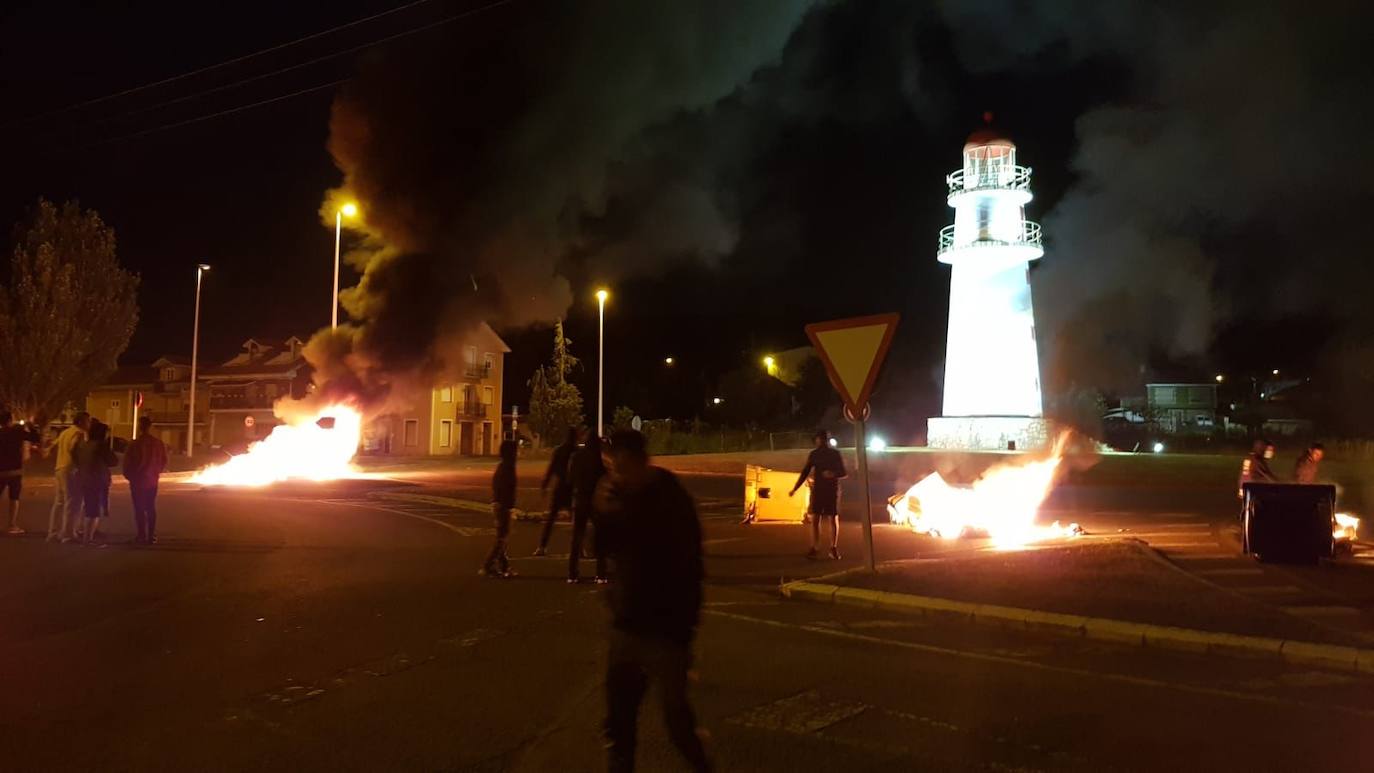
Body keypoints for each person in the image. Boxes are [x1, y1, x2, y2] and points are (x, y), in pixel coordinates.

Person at [595, 429, 710, 773]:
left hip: (666, 630)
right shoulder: (619, 496)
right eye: (611, 465)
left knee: (676, 719)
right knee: (620, 721)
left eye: (621, 464)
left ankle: (703, 766)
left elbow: (689, 563)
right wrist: (603, 512)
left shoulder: (668, 497)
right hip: (627, 625)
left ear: (640, 461)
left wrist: (685, 629)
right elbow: (601, 549)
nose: (616, 472)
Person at [789, 429, 848, 559]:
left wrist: (832, 474)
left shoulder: (835, 454)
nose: (820, 442)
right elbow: (805, 472)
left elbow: (844, 472)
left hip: (832, 490)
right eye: (819, 439)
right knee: (816, 518)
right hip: (818, 490)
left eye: (822, 439)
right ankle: (815, 547)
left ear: (825, 440)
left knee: (833, 518)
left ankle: (833, 548)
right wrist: (795, 488)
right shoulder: (814, 454)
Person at [568, 432, 608, 583]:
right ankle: (601, 574)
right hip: (596, 500)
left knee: (577, 537)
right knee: (601, 536)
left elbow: (570, 478)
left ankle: (572, 574)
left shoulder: (578, 457)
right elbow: (605, 477)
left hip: (580, 499)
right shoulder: (599, 458)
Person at [123, 416, 169, 544]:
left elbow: (127, 463)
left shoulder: (135, 444)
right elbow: (164, 460)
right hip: (152, 480)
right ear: (150, 427)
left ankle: (141, 535)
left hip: (137, 480)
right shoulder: (158, 443)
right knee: (150, 507)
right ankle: (150, 535)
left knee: (139, 508)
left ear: (139, 427)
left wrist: (129, 476)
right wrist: (156, 472)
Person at [534, 427, 578, 556]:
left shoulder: (559, 450)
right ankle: (578, 549)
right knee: (575, 520)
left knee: (551, 519)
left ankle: (542, 546)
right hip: (571, 489)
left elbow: (551, 468)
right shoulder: (576, 452)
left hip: (560, 488)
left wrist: (545, 485)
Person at [47, 412, 90, 543]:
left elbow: (53, 446)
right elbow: (73, 447)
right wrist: (77, 462)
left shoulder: (65, 432)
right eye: (88, 421)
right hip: (71, 469)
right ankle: (68, 534)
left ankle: (53, 532)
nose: (89, 424)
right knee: (72, 502)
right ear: (82, 422)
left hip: (59, 468)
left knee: (59, 501)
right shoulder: (79, 433)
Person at [75, 420, 118, 546]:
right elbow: (113, 461)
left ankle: (87, 536)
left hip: (85, 479)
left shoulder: (84, 445)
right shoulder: (100, 446)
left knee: (89, 508)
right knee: (94, 511)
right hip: (97, 480)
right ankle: (88, 539)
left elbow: (76, 457)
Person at [482, 439, 519, 578]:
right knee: (502, 539)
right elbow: (507, 489)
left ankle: (504, 567)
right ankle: (488, 565)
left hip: (500, 505)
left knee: (502, 538)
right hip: (503, 506)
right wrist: (509, 507)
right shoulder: (508, 468)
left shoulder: (503, 466)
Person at [0, 410, 39, 535]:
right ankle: (11, 525)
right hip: (15, 471)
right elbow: (35, 438)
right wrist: (30, 426)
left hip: (1, 471)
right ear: (10, 420)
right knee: (14, 498)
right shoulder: (16, 431)